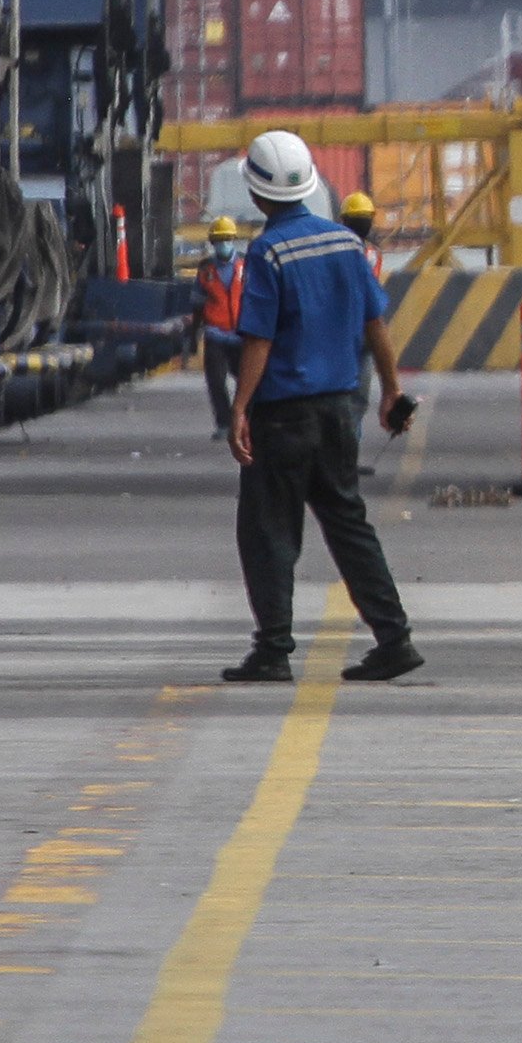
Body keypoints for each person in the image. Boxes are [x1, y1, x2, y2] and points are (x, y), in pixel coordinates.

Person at [220, 131, 425, 687]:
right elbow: (375, 323)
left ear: (256, 193)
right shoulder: (345, 244)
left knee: (268, 531)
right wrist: (390, 390)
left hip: (282, 417)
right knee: (349, 525)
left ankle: (272, 650)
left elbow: (259, 339)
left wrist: (239, 408)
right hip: (338, 412)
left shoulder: (267, 252)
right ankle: (395, 639)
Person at [192, 215, 248, 439]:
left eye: (227, 239)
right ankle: (224, 424)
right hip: (215, 334)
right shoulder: (206, 269)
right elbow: (197, 302)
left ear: (233, 240)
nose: (223, 244)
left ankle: (244, 422)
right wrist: (194, 331)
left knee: (246, 382)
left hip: (241, 335)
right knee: (216, 381)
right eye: (219, 240)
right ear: (213, 243)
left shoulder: (246, 266)